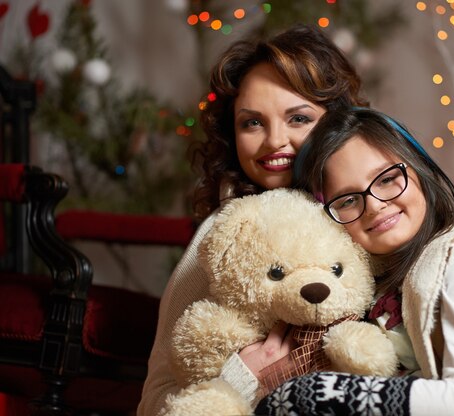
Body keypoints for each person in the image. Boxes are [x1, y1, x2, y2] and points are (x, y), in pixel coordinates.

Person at [255, 107, 454, 415]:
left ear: (419, 171)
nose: (375, 206)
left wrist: (323, 391)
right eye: (349, 199)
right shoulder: (377, 285)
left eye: (385, 179)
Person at [137, 24, 368, 415]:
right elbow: (154, 400)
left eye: (298, 118)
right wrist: (245, 378)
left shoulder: (372, 210)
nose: (275, 140)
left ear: (337, 121)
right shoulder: (226, 233)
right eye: (252, 122)